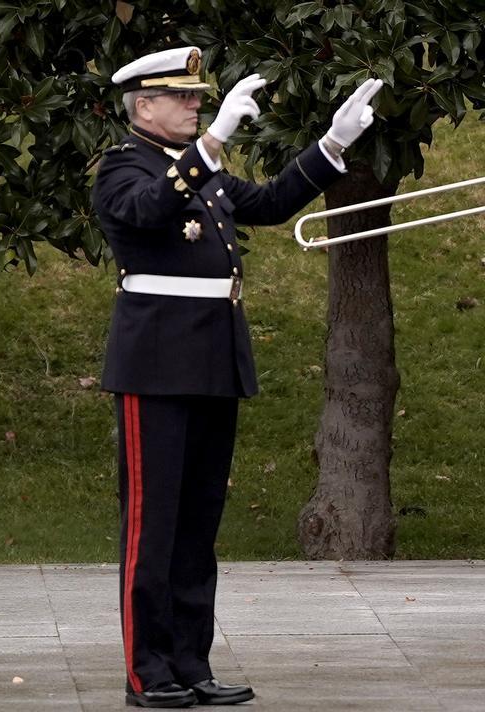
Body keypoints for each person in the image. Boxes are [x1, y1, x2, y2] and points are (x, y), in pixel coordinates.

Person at [93, 46, 382, 708]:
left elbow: (273, 202)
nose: (197, 106)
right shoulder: (122, 167)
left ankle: (191, 662)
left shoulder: (203, 171)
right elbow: (147, 212)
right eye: (185, 98)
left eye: (201, 100)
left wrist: (331, 145)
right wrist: (215, 141)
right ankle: (148, 672)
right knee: (153, 524)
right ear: (144, 105)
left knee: (198, 525)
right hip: (157, 363)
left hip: (213, 361)